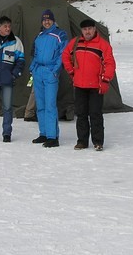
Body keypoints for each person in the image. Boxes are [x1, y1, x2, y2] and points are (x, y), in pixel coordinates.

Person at [62, 19, 116, 151]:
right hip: (80, 85)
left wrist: (105, 80)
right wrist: (71, 72)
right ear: (82, 31)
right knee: (81, 114)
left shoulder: (103, 45)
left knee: (95, 114)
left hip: (95, 86)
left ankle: (98, 142)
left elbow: (110, 64)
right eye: (85, 29)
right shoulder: (75, 43)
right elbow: (65, 56)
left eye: (90, 29)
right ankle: (82, 141)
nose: (87, 31)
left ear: (94, 29)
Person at [29, 9, 68, 147]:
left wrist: (55, 70)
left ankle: (53, 136)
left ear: (53, 20)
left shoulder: (59, 34)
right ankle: (43, 133)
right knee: (40, 105)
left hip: (50, 72)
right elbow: (35, 54)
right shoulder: (39, 36)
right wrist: (32, 69)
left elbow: (63, 54)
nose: (46, 21)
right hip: (38, 72)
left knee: (50, 104)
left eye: (49, 19)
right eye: (44, 20)